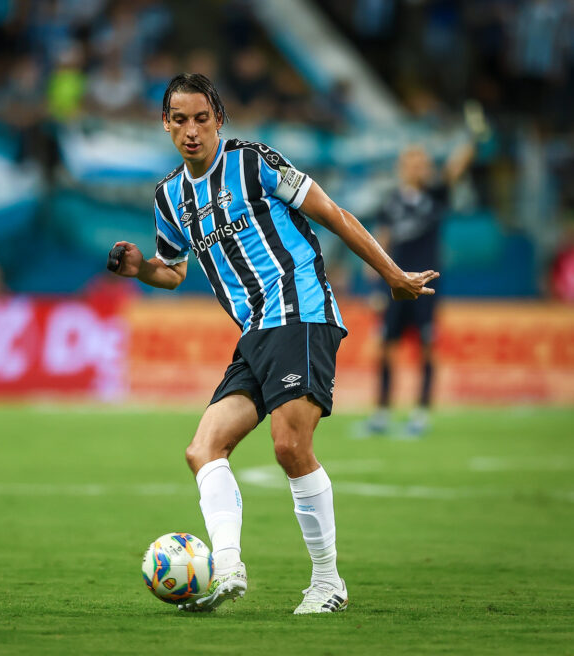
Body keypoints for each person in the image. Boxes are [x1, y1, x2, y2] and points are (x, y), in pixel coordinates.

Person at [107, 73, 438, 614]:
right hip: (255, 332)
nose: (192, 131)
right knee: (203, 449)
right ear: (165, 123)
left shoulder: (254, 162)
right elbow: (172, 271)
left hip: (300, 310)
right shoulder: (169, 197)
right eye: (180, 120)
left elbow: (334, 215)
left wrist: (392, 274)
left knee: (289, 447)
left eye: (202, 119)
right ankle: (228, 569)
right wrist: (141, 268)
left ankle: (329, 584)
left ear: (219, 120)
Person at [365, 142, 474, 437]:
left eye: (422, 162)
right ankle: (382, 412)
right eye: (412, 162)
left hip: (427, 285)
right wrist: (376, 281)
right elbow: (381, 241)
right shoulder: (390, 202)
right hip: (396, 287)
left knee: (426, 348)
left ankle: (420, 412)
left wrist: (471, 141)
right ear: (402, 167)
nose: (418, 167)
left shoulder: (436, 195)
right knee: (387, 348)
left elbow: (455, 169)